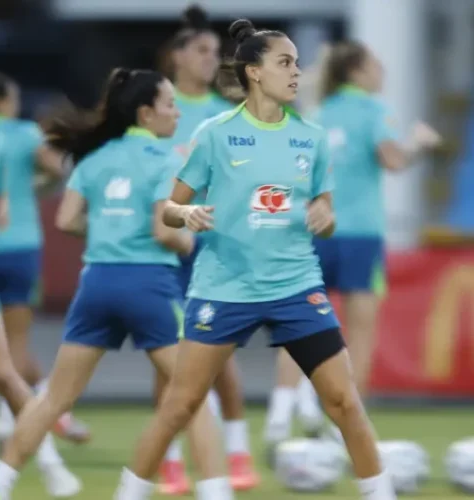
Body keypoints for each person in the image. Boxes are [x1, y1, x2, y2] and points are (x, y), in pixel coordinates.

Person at [107, 19, 399, 500]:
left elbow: (325, 211)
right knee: (179, 406)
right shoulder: (215, 134)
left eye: (298, 64)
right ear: (254, 73)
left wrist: (323, 215)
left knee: (344, 401)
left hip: (295, 287)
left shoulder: (312, 137)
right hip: (224, 289)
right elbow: (171, 209)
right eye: (285, 62)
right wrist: (189, 212)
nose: (296, 72)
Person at [0, 67, 229, 500]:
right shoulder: (168, 160)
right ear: (146, 114)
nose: (176, 115)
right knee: (193, 398)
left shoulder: (94, 158)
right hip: (149, 285)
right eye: (170, 106)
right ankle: (217, 492)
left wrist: (112, 231)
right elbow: (165, 232)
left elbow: (66, 219)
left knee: (54, 399)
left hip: (95, 284)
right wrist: (192, 245)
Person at [264, 41, 443, 445]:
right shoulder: (375, 111)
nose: (382, 71)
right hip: (360, 234)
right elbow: (393, 160)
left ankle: (280, 413)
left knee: (299, 321)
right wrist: (420, 142)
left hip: (316, 230)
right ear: (358, 72)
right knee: (360, 331)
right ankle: (343, 426)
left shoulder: (318, 112)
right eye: (376, 64)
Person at [157, 5, 258, 494]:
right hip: (165, 247)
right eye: (201, 51)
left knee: (221, 356)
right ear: (177, 56)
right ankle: (170, 460)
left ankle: (238, 453)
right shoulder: (158, 106)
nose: (209, 60)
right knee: (169, 355)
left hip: (213, 247)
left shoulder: (225, 112)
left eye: (215, 53)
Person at [0, 61, 81, 500]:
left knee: (3, 371)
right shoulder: (8, 139)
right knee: (9, 363)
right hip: (13, 255)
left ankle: (51, 465)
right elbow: (40, 179)